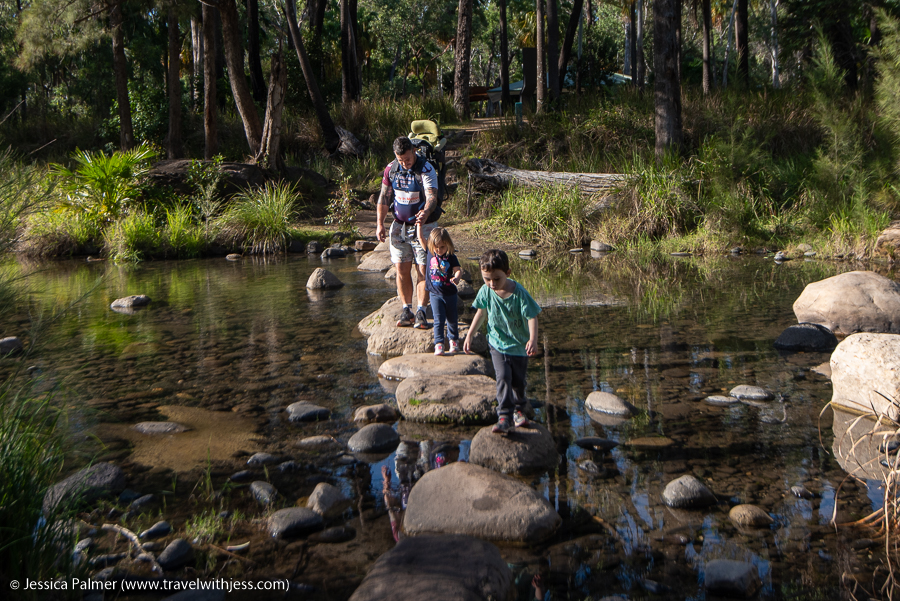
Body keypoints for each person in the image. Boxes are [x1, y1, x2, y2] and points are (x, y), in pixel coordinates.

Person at [463, 249, 541, 433]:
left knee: (518, 381)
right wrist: (470, 334)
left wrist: (533, 339)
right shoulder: (486, 291)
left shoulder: (519, 293)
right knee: (503, 377)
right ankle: (505, 415)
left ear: (507, 273)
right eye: (486, 279)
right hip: (497, 344)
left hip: (519, 346)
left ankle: (520, 410)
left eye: (496, 279)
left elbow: (532, 316)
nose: (491, 283)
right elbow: (481, 312)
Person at [376, 136, 440, 329]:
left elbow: (432, 197)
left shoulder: (426, 169)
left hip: (424, 226)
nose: (405, 163)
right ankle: (406, 309)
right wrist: (380, 223)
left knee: (422, 269)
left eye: (407, 159)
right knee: (401, 269)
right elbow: (385, 196)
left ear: (413, 150)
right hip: (399, 226)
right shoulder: (391, 169)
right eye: (401, 160)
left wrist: (426, 212)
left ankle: (421, 311)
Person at [417, 225, 462, 356]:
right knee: (438, 320)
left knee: (452, 319)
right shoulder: (430, 252)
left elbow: (458, 269)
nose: (439, 250)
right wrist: (419, 224)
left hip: (450, 294)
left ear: (448, 244)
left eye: (442, 247)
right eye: (436, 247)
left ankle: (453, 341)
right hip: (435, 294)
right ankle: (439, 344)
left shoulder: (450, 256)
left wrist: (457, 277)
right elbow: (420, 237)